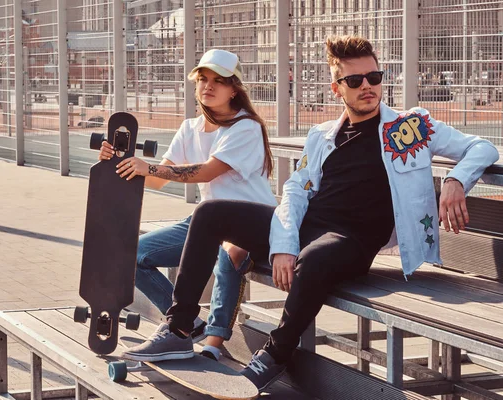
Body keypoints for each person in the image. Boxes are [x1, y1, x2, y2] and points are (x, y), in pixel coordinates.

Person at [122, 35, 500, 390]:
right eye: (354, 80)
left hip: (351, 239)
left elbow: (482, 148)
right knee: (211, 213)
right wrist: (283, 243)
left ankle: (274, 354)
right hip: (307, 227)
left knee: (313, 260)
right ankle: (179, 329)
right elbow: (294, 193)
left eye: (374, 76)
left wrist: (455, 180)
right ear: (337, 89)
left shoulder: (411, 126)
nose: (367, 86)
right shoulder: (322, 136)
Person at [98, 49, 278, 362]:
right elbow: (156, 180)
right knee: (132, 256)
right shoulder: (189, 128)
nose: (209, 86)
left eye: (219, 81)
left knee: (229, 254)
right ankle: (187, 325)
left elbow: (206, 171)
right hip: (208, 219)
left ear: (234, 88)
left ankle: (213, 344)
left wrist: (148, 168)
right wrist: (120, 161)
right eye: (203, 79)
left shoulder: (245, 127)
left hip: (253, 219)